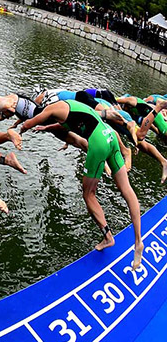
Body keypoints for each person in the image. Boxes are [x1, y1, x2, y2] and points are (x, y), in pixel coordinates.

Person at [19, 99, 143, 269]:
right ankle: (138, 241)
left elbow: (30, 122)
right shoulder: (70, 106)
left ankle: (108, 237)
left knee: (88, 194)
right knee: (127, 190)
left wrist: (19, 129)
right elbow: (68, 124)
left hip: (98, 144)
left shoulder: (50, 109)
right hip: (110, 135)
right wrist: (48, 128)